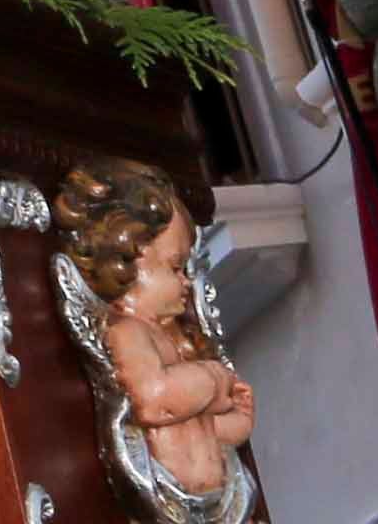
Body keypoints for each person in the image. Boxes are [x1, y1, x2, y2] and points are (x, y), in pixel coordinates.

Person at [55, 155, 258, 500]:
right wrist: (212, 376)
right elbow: (153, 401)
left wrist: (240, 418)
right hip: (166, 495)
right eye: (176, 267)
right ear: (125, 263)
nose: (186, 283)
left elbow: (205, 431)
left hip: (209, 506)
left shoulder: (174, 341)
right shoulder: (128, 333)